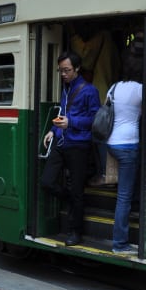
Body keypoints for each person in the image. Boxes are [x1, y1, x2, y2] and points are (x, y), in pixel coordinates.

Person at [41, 51, 101, 247]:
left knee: (77, 191)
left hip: (78, 145)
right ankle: (70, 198)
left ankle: (75, 232)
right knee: (47, 181)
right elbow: (62, 114)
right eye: (61, 71)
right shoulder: (66, 88)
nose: (63, 74)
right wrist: (52, 130)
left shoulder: (90, 90)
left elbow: (95, 119)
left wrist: (71, 122)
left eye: (67, 70)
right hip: (61, 141)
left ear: (77, 69)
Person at [106, 53, 143, 255]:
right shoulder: (140, 90)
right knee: (124, 197)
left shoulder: (114, 87)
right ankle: (119, 243)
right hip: (129, 144)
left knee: (126, 190)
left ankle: (137, 202)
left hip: (112, 143)